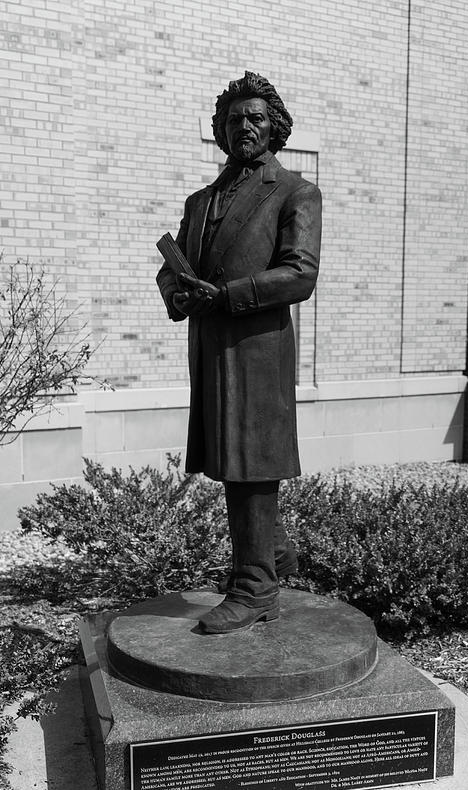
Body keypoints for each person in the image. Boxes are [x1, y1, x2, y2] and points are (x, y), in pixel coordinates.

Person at [156, 71, 322, 634]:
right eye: (233, 120)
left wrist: (227, 296)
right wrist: (177, 291)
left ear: (274, 127)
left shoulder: (295, 191)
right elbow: (173, 265)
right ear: (220, 133)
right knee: (233, 459)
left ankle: (254, 589)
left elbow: (300, 274)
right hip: (210, 346)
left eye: (254, 118)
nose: (243, 127)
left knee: (251, 457)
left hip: (257, 348)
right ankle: (275, 553)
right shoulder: (200, 200)